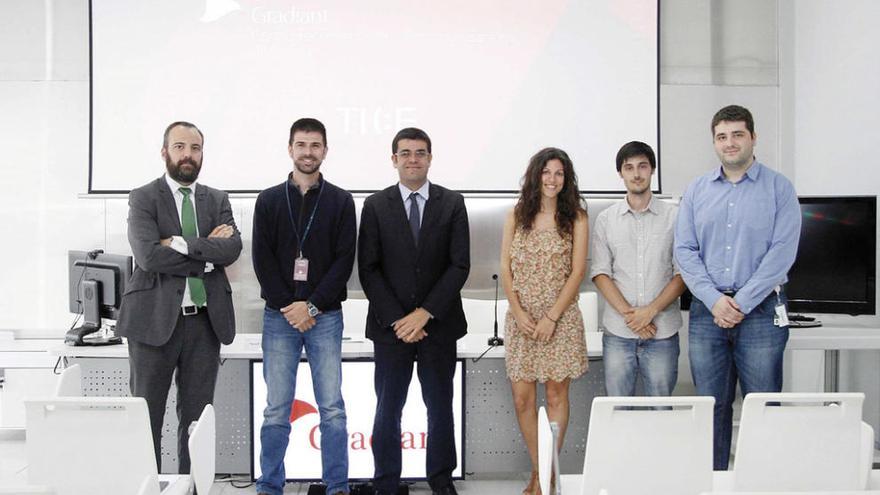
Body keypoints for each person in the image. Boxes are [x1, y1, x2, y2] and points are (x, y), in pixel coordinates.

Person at [674, 105, 801, 470]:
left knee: (762, 407)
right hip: (706, 314)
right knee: (711, 408)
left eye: (737, 134)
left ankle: (760, 483)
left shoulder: (779, 188)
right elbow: (684, 250)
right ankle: (714, 483)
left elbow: (782, 252)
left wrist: (740, 302)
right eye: (721, 136)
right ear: (714, 142)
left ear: (753, 138)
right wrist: (716, 301)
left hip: (761, 313)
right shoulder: (697, 190)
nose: (729, 143)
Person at [118, 121, 242, 473]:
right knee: (148, 417)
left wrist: (181, 244)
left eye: (195, 148)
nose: (188, 155)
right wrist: (206, 258)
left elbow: (231, 249)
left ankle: (192, 487)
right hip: (153, 322)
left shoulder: (217, 199)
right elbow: (148, 256)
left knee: (196, 421)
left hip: (204, 323)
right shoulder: (143, 197)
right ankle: (151, 486)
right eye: (180, 147)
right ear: (165, 152)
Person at [358, 127, 470, 495]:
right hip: (391, 329)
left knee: (440, 408)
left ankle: (441, 480)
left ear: (430, 158)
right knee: (388, 409)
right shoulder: (375, 206)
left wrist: (425, 314)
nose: (413, 159)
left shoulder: (452, 203)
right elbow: (369, 269)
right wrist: (399, 319)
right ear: (394, 160)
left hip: (438, 326)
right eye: (405, 153)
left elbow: (459, 265)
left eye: (420, 153)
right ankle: (386, 482)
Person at [252, 118, 356, 495]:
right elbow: (261, 260)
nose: (308, 152)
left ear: (325, 151)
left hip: (325, 317)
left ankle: (337, 486)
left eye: (315, 145)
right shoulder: (268, 200)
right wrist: (289, 306)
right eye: (301, 145)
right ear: (290, 149)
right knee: (277, 409)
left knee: (332, 408)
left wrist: (310, 306)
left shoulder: (341, 201)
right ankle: (270, 485)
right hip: (279, 317)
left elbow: (344, 261)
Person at [500, 147, 588, 495]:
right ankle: (541, 471)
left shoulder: (576, 218)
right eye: (546, 172)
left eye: (559, 174)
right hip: (522, 321)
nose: (552, 180)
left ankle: (545, 479)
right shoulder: (515, 216)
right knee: (522, 399)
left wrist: (552, 316)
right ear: (535, 175)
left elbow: (578, 270)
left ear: (566, 180)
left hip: (560, 319)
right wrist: (520, 312)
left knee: (554, 396)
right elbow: (505, 268)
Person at [591, 141, 685, 398]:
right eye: (629, 167)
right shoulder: (606, 219)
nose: (636, 174)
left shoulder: (676, 217)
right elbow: (600, 273)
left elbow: (683, 273)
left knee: (660, 411)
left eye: (642, 166)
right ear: (620, 173)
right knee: (618, 411)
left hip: (662, 332)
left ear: (652, 170)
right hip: (618, 334)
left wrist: (650, 311)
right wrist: (633, 317)